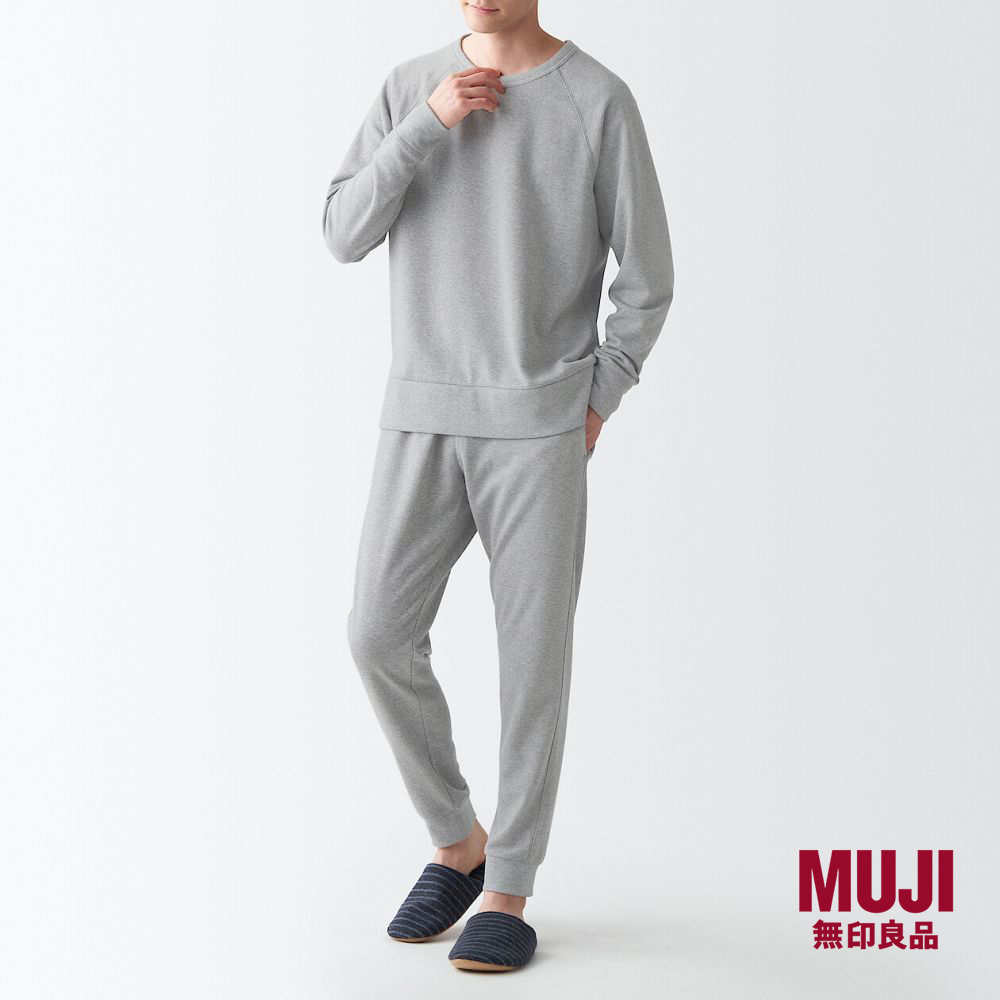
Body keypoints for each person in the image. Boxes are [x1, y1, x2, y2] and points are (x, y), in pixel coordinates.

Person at [322, 0, 673, 974]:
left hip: (539, 427)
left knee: (531, 665)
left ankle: (508, 884)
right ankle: (457, 840)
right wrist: (427, 123)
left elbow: (647, 276)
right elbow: (342, 231)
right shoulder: (409, 87)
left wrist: (597, 397)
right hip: (421, 413)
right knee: (376, 632)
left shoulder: (596, 99)